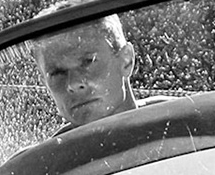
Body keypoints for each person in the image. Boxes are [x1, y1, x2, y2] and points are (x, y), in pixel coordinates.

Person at [28, 8, 165, 132]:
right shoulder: (42, 159)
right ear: (45, 83)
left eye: (88, 62)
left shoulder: (181, 125)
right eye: (57, 73)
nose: (73, 84)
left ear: (126, 61)